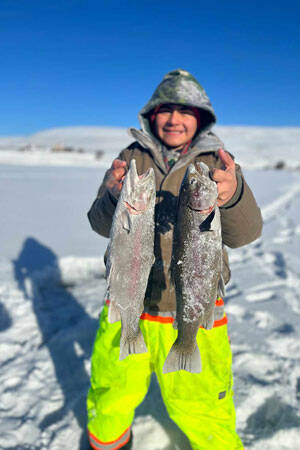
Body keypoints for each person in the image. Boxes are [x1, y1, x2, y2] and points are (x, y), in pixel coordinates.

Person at [86, 69, 263, 450]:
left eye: (186, 111)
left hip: (197, 311)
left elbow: (245, 233)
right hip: (127, 301)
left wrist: (231, 196)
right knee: (111, 391)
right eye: (166, 110)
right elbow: (100, 224)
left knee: (202, 403)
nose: (174, 119)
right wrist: (113, 199)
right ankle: (107, 443)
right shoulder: (131, 159)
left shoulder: (219, 162)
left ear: (201, 118)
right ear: (152, 115)